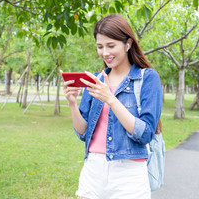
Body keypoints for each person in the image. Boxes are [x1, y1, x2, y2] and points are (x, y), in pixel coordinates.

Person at [62, 14, 163, 199]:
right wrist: (72, 104)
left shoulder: (147, 78)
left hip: (129, 173)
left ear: (128, 43)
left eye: (111, 46)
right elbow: (83, 133)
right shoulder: (96, 80)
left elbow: (146, 133)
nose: (105, 53)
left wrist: (110, 98)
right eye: (100, 47)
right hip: (93, 169)